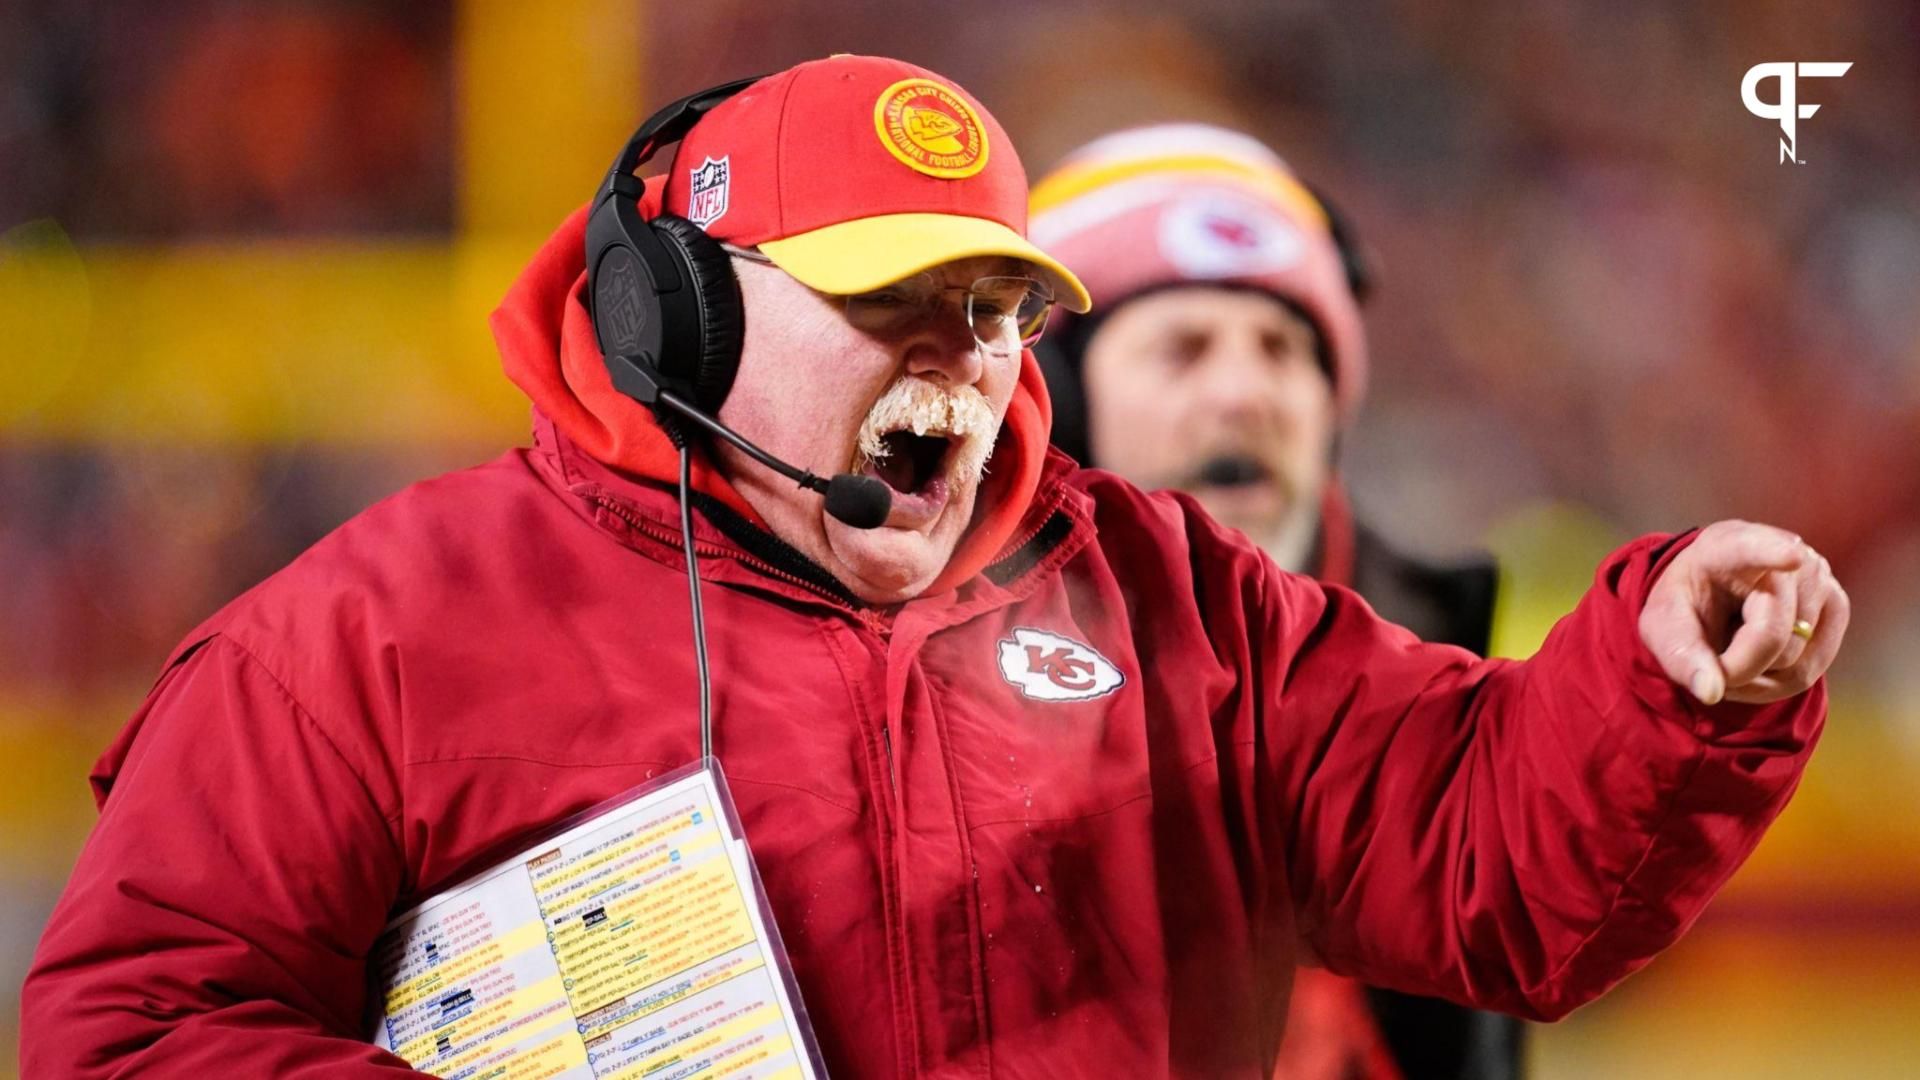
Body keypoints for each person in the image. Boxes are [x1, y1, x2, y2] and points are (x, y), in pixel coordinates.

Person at [21, 55, 1848, 1079]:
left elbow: (1485, 862)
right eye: (893, 303)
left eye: (991, 310)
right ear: (683, 310)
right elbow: (133, 1034)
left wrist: (1668, 682)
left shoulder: (1166, 591)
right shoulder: (368, 638)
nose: (966, 362)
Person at [1027, 124, 1514, 1078]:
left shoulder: (1447, 668)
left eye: (1285, 350)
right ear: (1056, 398)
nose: (1247, 392)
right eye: (1184, 350)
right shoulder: (923, 696)